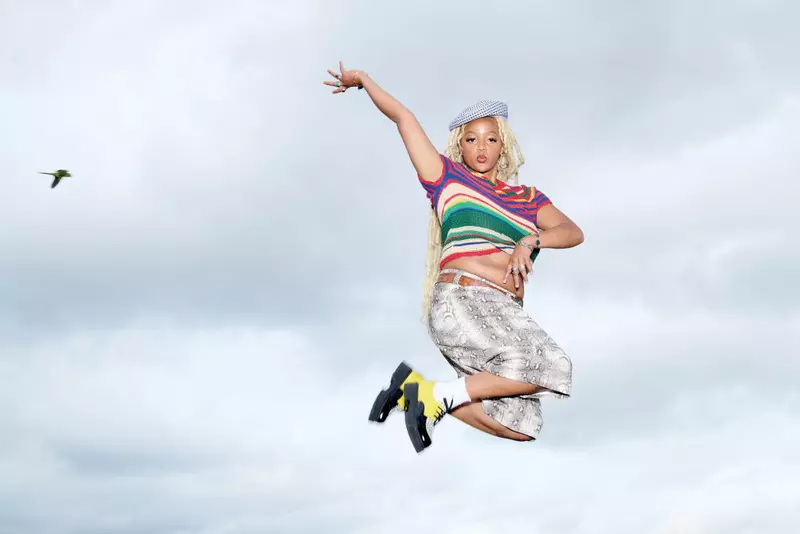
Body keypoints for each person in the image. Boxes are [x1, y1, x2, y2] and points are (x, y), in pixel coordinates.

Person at [324, 61, 584, 453]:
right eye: (471, 139)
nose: (481, 147)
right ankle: (437, 396)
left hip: (505, 315)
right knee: (554, 365)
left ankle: (416, 392)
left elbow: (571, 232)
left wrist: (530, 240)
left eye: (490, 139)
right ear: (459, 146)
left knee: (520, 424)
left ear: (503, 145)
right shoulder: (445, 178)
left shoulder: (527, 198)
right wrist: (363, 81)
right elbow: (403, 118)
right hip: (462, 301)